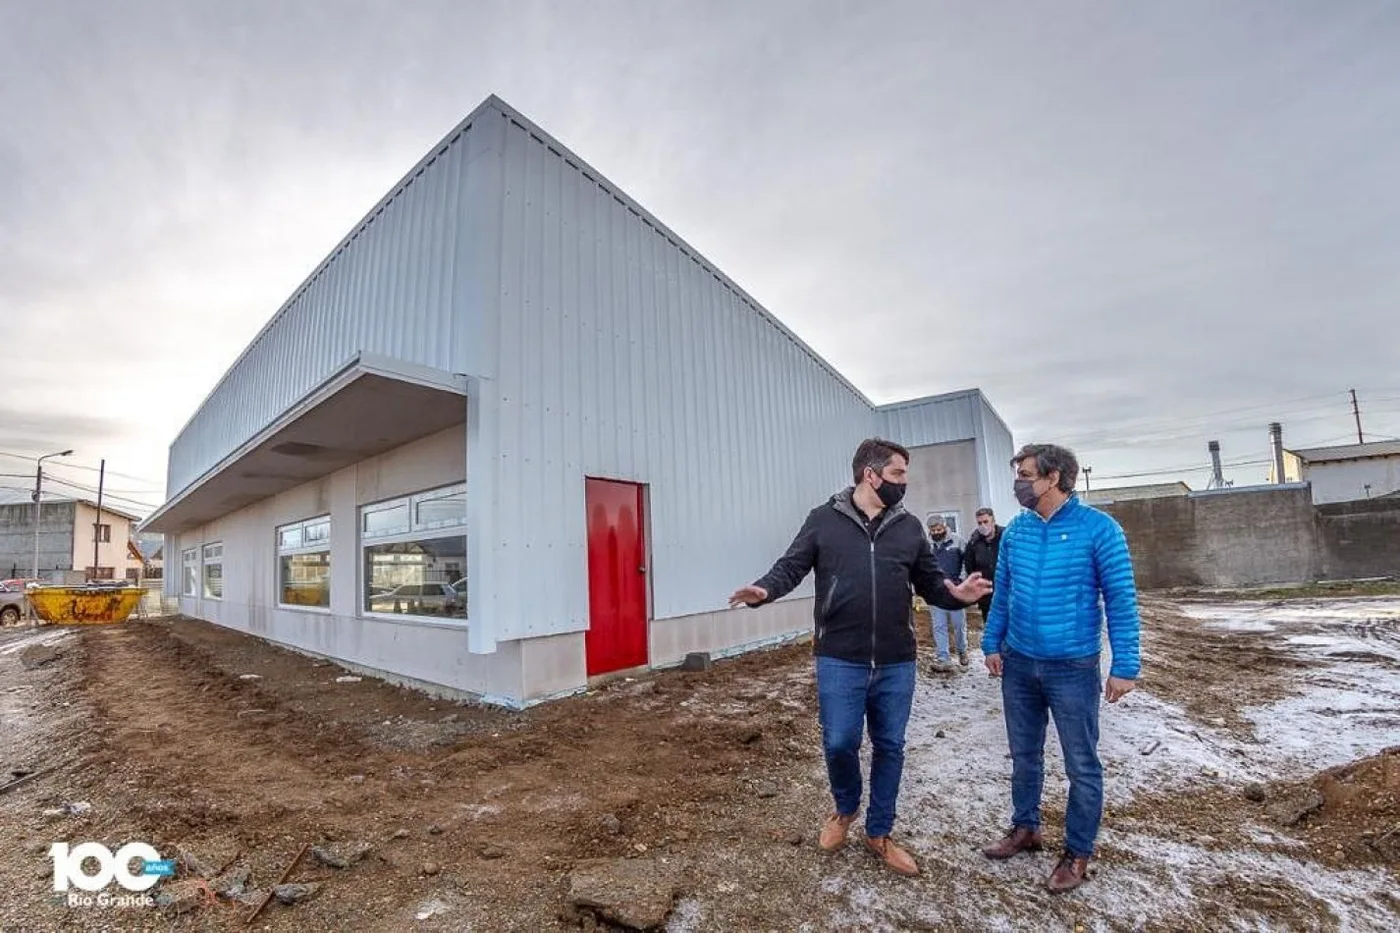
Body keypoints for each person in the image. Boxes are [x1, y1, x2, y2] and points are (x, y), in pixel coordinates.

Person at [729, 438, 991, 877]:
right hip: (840, 656)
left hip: (896, 660)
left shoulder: (909, 527)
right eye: (898, 474)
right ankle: (845, 809)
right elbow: (790, 566)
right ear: (871, 475)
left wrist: (955, 594)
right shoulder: (823, 520)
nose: (904, 482)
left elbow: (929, 580)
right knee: (839, 742)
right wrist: (764, 591)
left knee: (890, 746)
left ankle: (879, 831)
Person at [980, 444, 1141, 893]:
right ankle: (1026, 827)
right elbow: (1003, 594)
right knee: (1024, 755)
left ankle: (1077, 852)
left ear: (1053, 478)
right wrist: (992, 641)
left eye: (1026, 474)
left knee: (1081, 764)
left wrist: (1125, 664)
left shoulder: (1100, 530)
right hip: (1019, 664)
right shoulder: (1017, 533)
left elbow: (1122, 601)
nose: (1019, 483)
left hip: (1072, 666)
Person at [925, 516, 968, 671]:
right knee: (939, 626)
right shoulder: (927, 546)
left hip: (956, 591)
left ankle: (962, 651)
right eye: (933, 530)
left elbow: (967, 562)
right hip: (936, 593)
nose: (936, 532)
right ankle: (943, 657)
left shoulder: (958, 541)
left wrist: (962, 581)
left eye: (939, 529)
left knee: (958, 625)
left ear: (945, 527)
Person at [962, 508, 1003, 622]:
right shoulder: (973, 543)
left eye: (986, 522)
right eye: (979, 523)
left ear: (993, 521)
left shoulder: (1005, 537)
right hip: (987, 596)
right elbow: (970, 568)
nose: (983, 525)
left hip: (1007, 593)